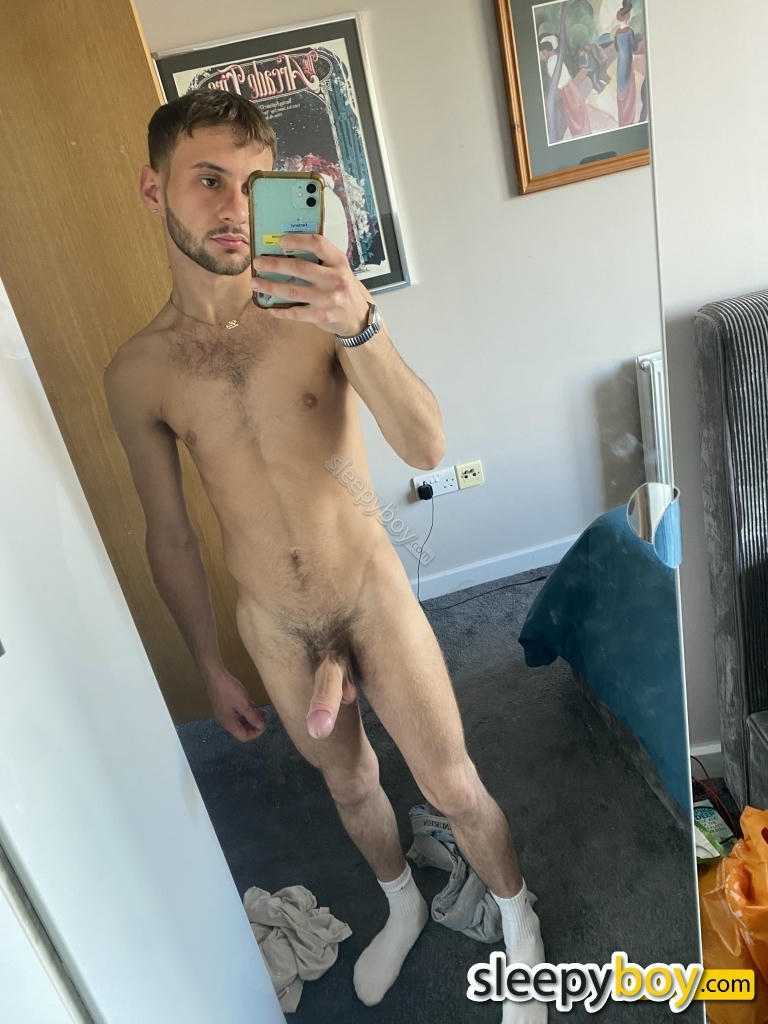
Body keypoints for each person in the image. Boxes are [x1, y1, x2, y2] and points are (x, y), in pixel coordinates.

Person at [104, 89, 544, 1021]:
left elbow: (426, 445)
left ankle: (522, 925)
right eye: (208, 180)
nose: (234, 207)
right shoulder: (139, 372)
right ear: (153, 190)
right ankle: (402, 904)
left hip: (368, 592)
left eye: (255, 184)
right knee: (350, 786)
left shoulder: (320, 309)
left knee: (451, 782)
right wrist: (209, 662)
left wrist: (358, 319)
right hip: (274, 623)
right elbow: (168, 532)